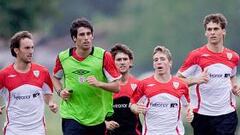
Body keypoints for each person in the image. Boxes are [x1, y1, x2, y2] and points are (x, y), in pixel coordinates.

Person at [52, 17, 121, 135]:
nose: (86, 38)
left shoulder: (104, 56)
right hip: (71, 114)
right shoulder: (63, 57)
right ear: (74, 38)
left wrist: (99, 83)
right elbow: (55, 77)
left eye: (89, 34)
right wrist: (60, 91)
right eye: (82, 35)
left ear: (92, 36)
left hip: (97, 117)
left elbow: (116, 87)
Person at [177, 13, 240, 135]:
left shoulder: (233, 57)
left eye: (216, 29)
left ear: (223, 31)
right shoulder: (196, 56)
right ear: (205, 33)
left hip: (227, 114)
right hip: (202, 115)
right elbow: (176, 82)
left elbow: (231, 76)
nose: (212, 32)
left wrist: (235, 87)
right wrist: (196, 80)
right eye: (209, 29)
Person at [0, 31, 58, 135]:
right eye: (27, 48)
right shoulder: (4, 75)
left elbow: (48, 94)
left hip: (37, 131)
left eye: (32, 47)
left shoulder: (43, 72)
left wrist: (51, 103)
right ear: (16, 50)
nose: (31, 51)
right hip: (13, 131)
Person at [130, 45, 193, 135]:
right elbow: (132, 103)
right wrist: (136, 108)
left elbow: (188, 105)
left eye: (162, 59)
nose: (159, 62)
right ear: (153, 64)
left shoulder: (181, 85)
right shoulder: (144, 84)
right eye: (156, 60)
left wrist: (190, 113)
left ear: (170, 63)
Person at [105, 43, 141, 135]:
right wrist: (105, 123)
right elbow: (95, 112)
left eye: (125, 59)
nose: (122, 62)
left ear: (130, 62)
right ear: (112, 62)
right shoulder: (106, 86)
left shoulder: (138, 85)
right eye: (118, 59)